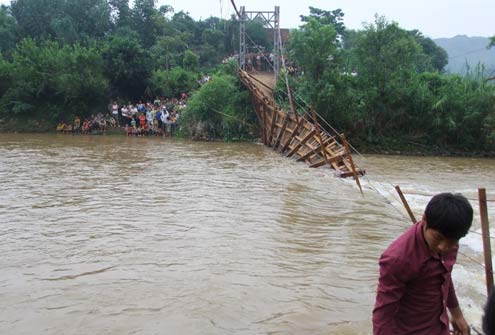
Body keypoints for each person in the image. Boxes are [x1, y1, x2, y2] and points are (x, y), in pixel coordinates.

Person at [373, 192, 473, 335]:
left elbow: (445, 276)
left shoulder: (450, 241)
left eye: (452, 241)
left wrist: (457, 315)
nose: (443, 247)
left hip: (439, 327)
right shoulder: (398, 259)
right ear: (425, 219)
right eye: (438, 238)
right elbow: (383, 313)